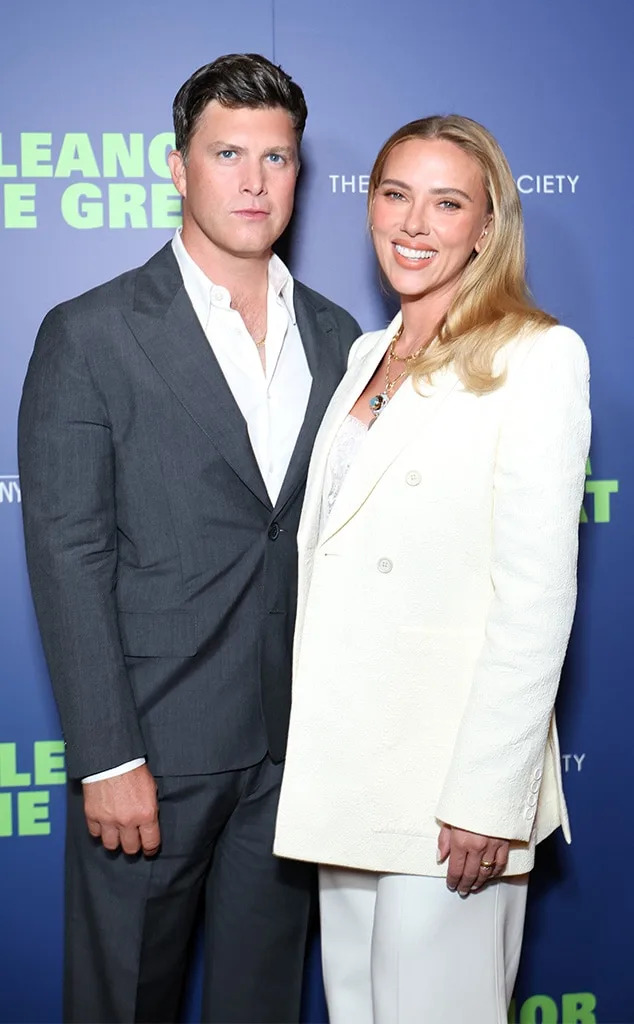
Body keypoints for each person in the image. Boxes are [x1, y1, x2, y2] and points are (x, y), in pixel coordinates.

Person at [18, 53, 360, 1024]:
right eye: (227, 153)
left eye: (277, 158)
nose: (254, 181)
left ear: (300, 171)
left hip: (293, 762)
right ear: (177, 168)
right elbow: (68, 553)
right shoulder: (88, 333)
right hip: (150, 757)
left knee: (261, 1006)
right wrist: (107, 756)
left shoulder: (341, 338)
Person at [273, 114, 590, 1024]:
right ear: (368, 206)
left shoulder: (537, 356)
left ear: (487, 226)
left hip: (449, 785)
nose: (414, 224)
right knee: (360, 1010)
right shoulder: (367, 355)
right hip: (348, 769)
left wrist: (490, 797)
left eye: (446, 202)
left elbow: (535, 598)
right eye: (394, 194)